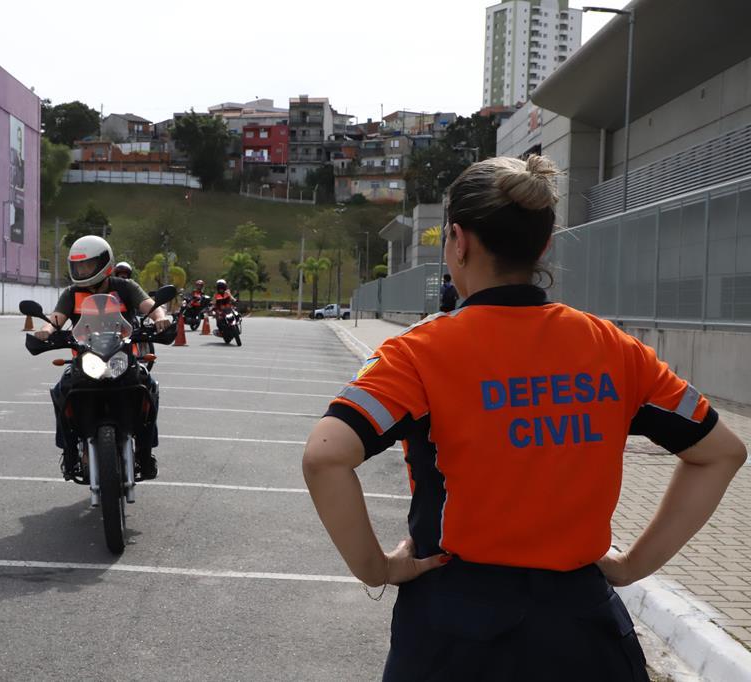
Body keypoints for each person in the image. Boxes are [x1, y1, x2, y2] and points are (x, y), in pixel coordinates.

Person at [302, 155, 746, 681]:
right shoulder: (614, 349)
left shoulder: (419, 353)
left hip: (454, 630)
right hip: (584, 631)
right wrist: (631, 567)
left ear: (459, 242)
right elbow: (721, 452)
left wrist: (377, 568)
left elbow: (326, 456)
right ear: (544, 246)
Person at [36, 235, 172, 481]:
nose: (83, 270)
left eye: (88, 264)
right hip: (86, 361)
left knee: (149, 388)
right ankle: (68, 452)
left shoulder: (125, 287)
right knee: (60, 392)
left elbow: (149, 305)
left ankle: (144, 451)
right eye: (79, 265)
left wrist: (160, 317)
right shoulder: (71, 293)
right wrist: (45, 331)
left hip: (122, 357)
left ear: (104, 263)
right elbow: (56, 318)